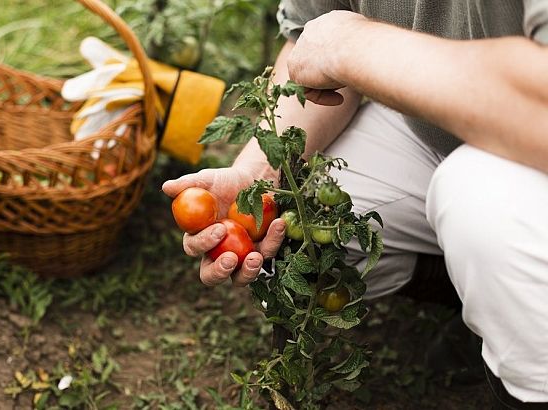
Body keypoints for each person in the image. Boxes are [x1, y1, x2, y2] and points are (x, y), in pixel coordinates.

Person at [163, 1, 548, 407]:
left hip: (532, 143)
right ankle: (480, 304)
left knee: (481, 202)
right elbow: (312, 42)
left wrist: (352, 45)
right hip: (431, 126)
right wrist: (259, 178)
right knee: (302, 231)